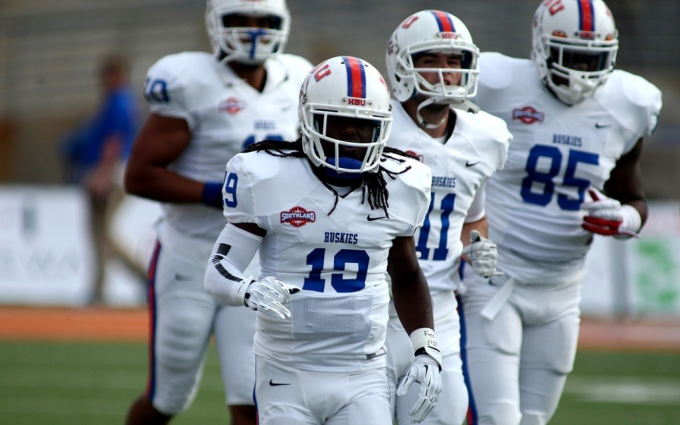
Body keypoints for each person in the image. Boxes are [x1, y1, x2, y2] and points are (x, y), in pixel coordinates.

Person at [204, 55, 443, 425]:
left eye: (364, 125)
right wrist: (246, 289)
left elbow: (408, 274)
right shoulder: (267, 175)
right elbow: (219, 269)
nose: (351, 134)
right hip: (285, 370)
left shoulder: (401, 184)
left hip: (363, 372)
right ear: (309, 120)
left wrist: (425, 347)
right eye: (339, 121)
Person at [460, 1, 663, 424]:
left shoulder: (629, 104)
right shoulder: (498, 84)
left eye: (593, 59)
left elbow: (633, 196)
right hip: (496, 280)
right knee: (498, 419)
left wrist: (624, 219)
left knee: (534, 419)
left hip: (564, 290)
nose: (582, 71)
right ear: (540, 47)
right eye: (572, 57)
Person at [122, 0, 312, 424]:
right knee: (168, 398)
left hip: (258, 263)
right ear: (215, 23)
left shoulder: (299, 78)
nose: (253, 31)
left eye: (265, 21)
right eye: (240, 19)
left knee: (252, 399)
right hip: (191, 255)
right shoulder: (191, 81)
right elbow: (138, 176)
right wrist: (219, 193)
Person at [383, 10, 512, 425]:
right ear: (402, 63)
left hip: (439, 308)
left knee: (445, 415)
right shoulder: (373, 126)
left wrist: (476, 244)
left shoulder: (485, 136)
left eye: (454, 62)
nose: (445, 72)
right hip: (369, 306)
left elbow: (472, 216)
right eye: (431, 60)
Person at [59, 53, 140, 306]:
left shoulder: (119, 102)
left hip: (111, 174)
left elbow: (113, 142)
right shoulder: (116, 101)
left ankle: (145, 277)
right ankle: (98, 290)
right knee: (97, 235)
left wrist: (101, 174)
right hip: (110, 171)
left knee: (104, 234)